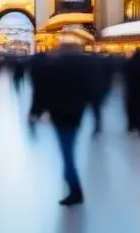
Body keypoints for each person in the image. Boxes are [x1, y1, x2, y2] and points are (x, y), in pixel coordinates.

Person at [30, 43, 93, 206]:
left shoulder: (52, 66)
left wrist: (36, 111)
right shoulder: (85, 68)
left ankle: (75, 190)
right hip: (75, 114)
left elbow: (42, 91)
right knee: (68, 150)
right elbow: (91, 90)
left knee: (67, 153)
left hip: (59, 114)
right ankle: (74, 188)